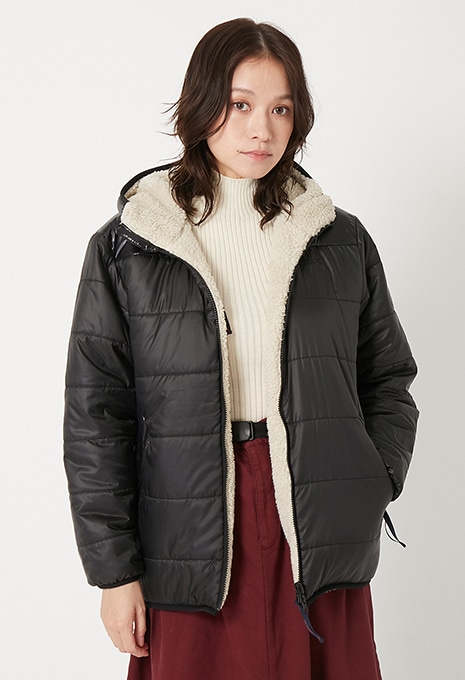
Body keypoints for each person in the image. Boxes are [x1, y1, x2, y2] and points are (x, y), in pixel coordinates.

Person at [63, 17, 419, 680]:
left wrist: (370, 482)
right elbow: (95, 419)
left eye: (281, 108)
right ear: (201, 105)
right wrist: (114, 572)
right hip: (187, 529)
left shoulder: (339, 240)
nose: (262, 130)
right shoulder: (129, 247)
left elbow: (388, 379)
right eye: (240, 104)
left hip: (314, 522)